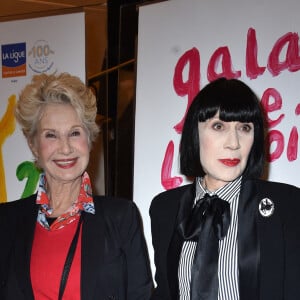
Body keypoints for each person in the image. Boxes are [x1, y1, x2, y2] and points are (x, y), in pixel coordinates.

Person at [0, 72, 153, 300]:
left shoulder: (121, 217)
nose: (65, 148)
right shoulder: (6, 220)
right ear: (33, 145)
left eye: (74, 133)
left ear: (89, 139)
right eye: (51, 135)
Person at [149, 77, 300, 300]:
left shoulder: (289, 204)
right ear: (195, 133)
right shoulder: (165, 208)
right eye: (218, 126)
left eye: (245, 128)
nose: (234, 143)